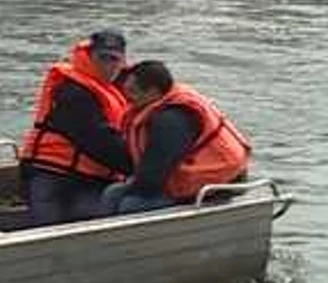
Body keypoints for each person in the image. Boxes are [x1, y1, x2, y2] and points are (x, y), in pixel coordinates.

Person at [101, 60, 252, 216]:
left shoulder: (171, 120)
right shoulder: (160, 102)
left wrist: (132, 186)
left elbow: (153, 177)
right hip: (191, 175)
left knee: (130, 204)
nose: (127, 97)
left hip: (219, 182)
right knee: (113, 193)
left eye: (132, 91)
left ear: (153, 92)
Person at [20, 30, 133, 226]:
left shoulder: (118, 87)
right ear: (89, 56)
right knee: (49, 232)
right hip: (53, 175)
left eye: (114, 59)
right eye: (102, 58)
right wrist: (143, 166)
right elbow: (98, 140)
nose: (108, 65)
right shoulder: (74, 91)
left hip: (89, 178)